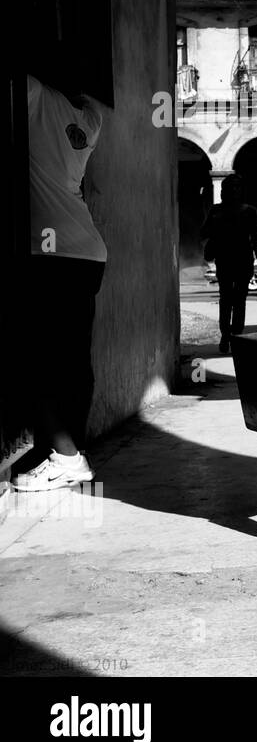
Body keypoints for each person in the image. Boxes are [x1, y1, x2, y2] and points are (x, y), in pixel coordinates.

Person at [14, 75, 108, 492]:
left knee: (35, 359)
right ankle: (68, 451)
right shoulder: (91, 116)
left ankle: (66, 457)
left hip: (50, 252)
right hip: (86, 250)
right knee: (72, 359)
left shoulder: (32, 93)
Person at [200, 174, 257, 354]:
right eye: (232, 188)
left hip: (235, 260)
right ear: (225, 191)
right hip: (232, 260)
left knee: (231, 300)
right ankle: (231, 335)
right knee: (233, 300)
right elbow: (256, 240)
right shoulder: (245, 211)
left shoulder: (221, 210)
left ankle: (232, 335)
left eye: (237, 187)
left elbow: (256, 239)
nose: (235, 191)